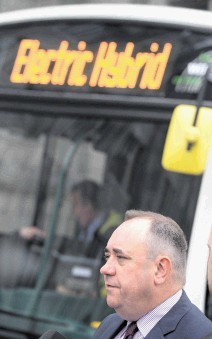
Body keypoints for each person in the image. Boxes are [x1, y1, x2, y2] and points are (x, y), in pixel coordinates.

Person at [93, 210, 212, 339]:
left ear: (160, 269)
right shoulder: (109, 325)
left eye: (120, 257)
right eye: (107, 256)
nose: (105, 269)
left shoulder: (201, 335)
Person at [20, 180, 123, 258]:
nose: (74, 212)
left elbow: (85, 252)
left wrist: (50, 240)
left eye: (75, 205)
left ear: (88, 205)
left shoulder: (112, 231)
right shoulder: (91, 228)